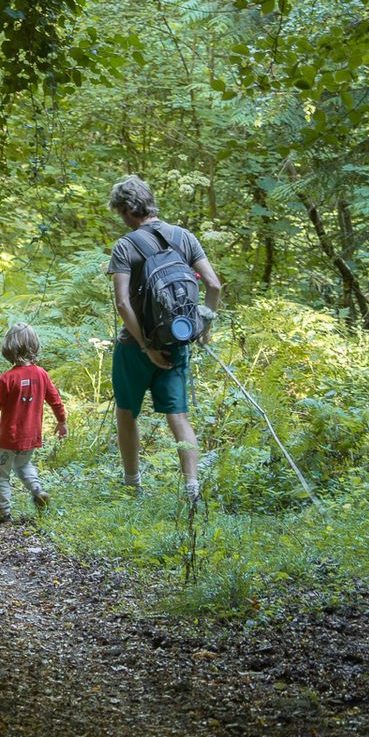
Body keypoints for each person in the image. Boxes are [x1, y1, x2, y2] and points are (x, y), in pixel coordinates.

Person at [106, 175, 223, 502]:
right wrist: (203, 330)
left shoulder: (126, 246)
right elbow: (213, 286)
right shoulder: (184, 238)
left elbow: (122, 303)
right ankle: (191, 488)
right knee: (179, 417)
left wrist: (144, 346)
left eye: (121, 213)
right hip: (176, 341)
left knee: (127, 413)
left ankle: (133, 486)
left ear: (129, 210)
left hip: (134, 347)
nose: (122, 219)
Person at [0, 322, 67, 523]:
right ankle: (37, 490)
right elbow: (55, 400)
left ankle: (5, 514)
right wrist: (62, 421)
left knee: (1, 475)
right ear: (34, 346)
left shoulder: (6, 379)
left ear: (8, 348)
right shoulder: (41, 375)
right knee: (24, 465)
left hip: (7, 441)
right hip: (30, 438)